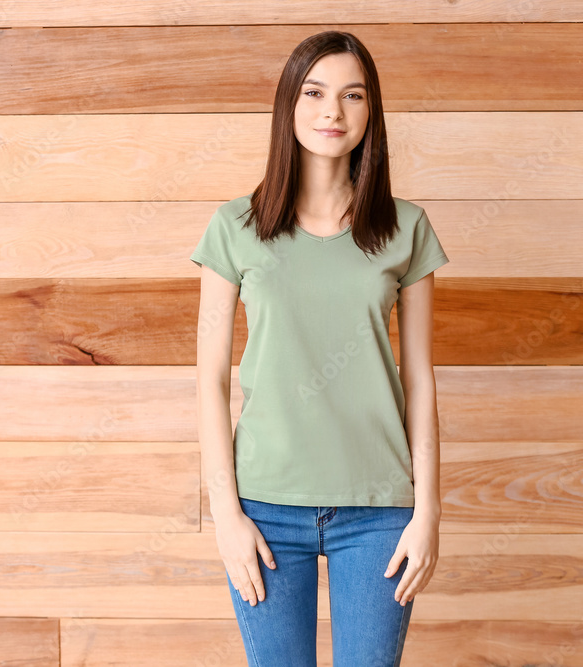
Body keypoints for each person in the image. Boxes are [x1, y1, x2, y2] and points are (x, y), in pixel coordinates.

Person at [191, 31, 447, 666]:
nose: (333, 111)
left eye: (352, 95)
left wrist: (429, 512)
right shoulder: (235, 228)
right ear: (290, 105)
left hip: (381, 512)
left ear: (370, 112)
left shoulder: (406, 229)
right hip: (265, 512)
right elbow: (208, 380)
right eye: (315, 92)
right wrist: (225, 513)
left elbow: (420, 379)